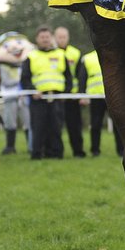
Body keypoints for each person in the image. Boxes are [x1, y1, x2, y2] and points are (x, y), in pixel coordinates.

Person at [21, 25, 72, 160]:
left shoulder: (61, 54)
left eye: (47, 37)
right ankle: (37, 154)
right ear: (37, 39)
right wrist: (32, 90)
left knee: (56, 127)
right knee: (38, 127)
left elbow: (68, 77)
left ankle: (56, 154)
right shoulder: (31, 56)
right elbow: (25, 78)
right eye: (42, 37)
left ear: (52, 38)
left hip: (56, 97)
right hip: (38, 98)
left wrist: (65, 93)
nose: (45, 40)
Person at [0, 31, 33, 155]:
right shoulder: (0, 64)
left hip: (25, 94)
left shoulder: (30, 61)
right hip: (9, 94)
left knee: (28, 120)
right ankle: (10, 146)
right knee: (9, 120)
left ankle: (31, 145)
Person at [54, 27, 86, 158]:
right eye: (59, 37)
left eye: (64, 37)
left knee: (75, 126)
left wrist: (81, 94)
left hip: (72, 96)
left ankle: (78, 152)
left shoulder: (76, 53)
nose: (62, 39)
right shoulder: (51, 53)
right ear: (55, 38)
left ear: (68, 37)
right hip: (56, 95)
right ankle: (57, 152)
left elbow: (81, 76)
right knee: (55, 126)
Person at [76, 49, 107, 156]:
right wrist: (82, 95)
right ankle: (95, 150)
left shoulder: (114, 53)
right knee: (95, 124)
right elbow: (82, 78)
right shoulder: (87, 58)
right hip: (95, 96)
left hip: (112, 96)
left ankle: (122, 150)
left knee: (119, 125)